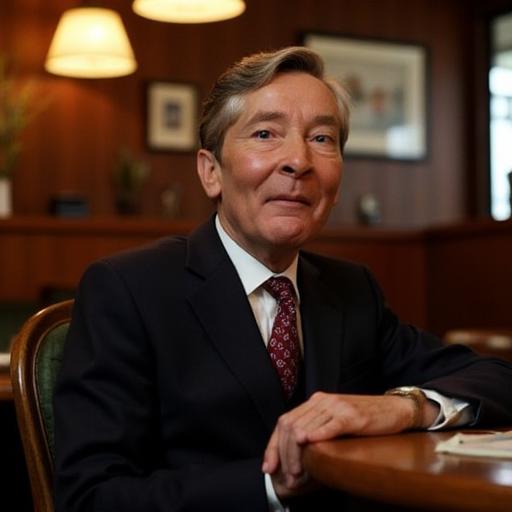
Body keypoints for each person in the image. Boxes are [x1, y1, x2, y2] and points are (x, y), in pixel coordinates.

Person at [54, 46, 512, 512]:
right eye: (266, 133)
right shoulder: (129, 289)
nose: (298, 161)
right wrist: (275, 485)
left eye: (322, 139)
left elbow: (495, 378)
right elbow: (92, 496)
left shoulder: (351, 289)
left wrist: (403, 406)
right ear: (211, 172)